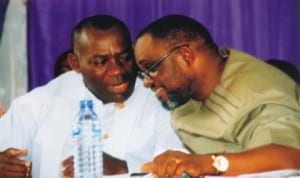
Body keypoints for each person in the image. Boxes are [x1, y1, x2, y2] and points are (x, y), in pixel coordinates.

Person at [0, 15, 182, 178]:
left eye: (124, 57)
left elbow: (180, 169)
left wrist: (123, 168)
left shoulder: (161, 97)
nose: (117, 70)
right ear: (75, 63)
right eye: (100, 62)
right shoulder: (43, 102)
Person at [134, 14, 300, 177]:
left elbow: (292, 158)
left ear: (186, 56)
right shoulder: (186, 89)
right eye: (143, 73)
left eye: (151, 68)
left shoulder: (259, 93)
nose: (147, 82)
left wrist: (212, 163)